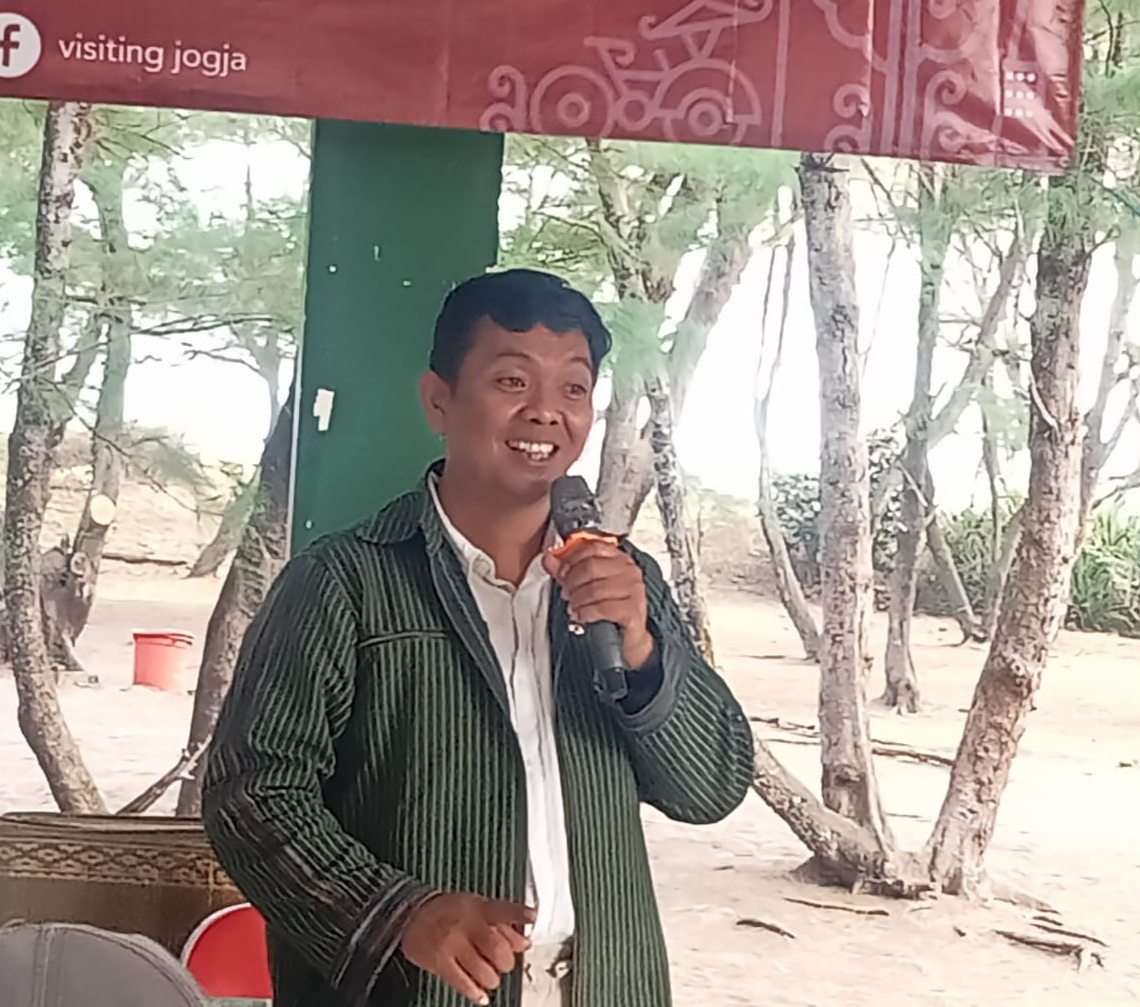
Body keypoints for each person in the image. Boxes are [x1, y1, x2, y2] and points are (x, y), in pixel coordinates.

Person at [203, 269, 755, 1007]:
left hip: (603, 985)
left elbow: (711, 787)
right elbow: (250, 794)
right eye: (511, 381)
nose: (546, 412)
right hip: (414, 991)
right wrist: (398, 913)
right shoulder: (345, 581)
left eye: (573, 388)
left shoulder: (625, 583)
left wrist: (640, 647)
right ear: (439, 400)